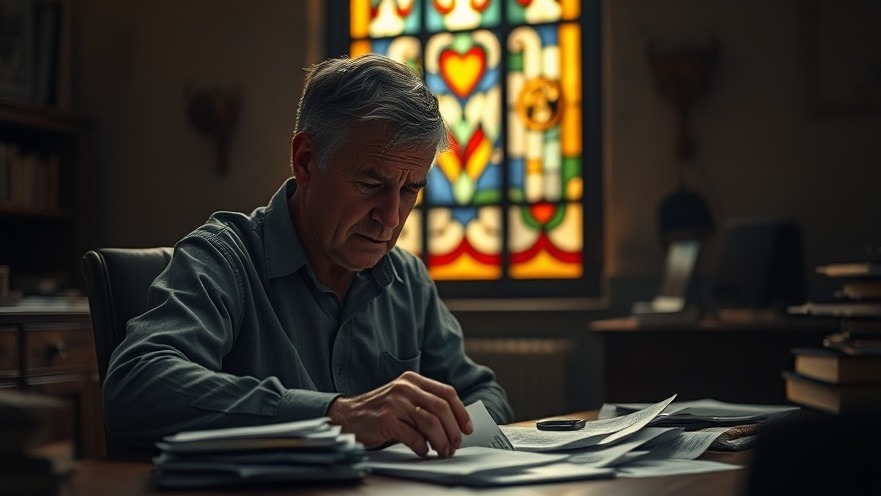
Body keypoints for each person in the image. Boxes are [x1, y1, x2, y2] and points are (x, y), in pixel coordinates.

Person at [102, 54, 513, 459]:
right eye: (371, 183)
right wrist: (336, 416)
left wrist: (447, 429)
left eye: (410, 191)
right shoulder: (223, 259)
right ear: (306, 161)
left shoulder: (407, 279)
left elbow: (483, 394)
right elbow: (137, 385)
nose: (390, 218)